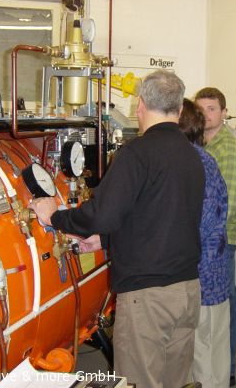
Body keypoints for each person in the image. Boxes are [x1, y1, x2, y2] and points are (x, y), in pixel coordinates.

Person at [29, 70, 205, 388]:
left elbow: (102, 215)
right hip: (187, 291)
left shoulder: (138, 153)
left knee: (138, 383)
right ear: (180, 110)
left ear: (140, 105)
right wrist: (107, 240)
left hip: (148, 298)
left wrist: (55, 217)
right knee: (176, 382)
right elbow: (161, 214)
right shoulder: (191, 156)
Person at [195, 87, 236, 387]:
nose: (206, 115)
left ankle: (226, 369)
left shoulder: (230, 150)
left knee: (223, 304)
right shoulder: (200, 145)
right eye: (201, 109)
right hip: (205, 240)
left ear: (224, 113)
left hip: (221, 241)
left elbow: (232, 203)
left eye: (212, 108)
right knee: (221, 302)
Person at [179, 98, 230, 387]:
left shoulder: (192, 163)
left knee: (201, 350)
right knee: (215, 347)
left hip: (201, 274)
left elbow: (200, 224)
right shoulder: (205, 159)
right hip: (215, 270)